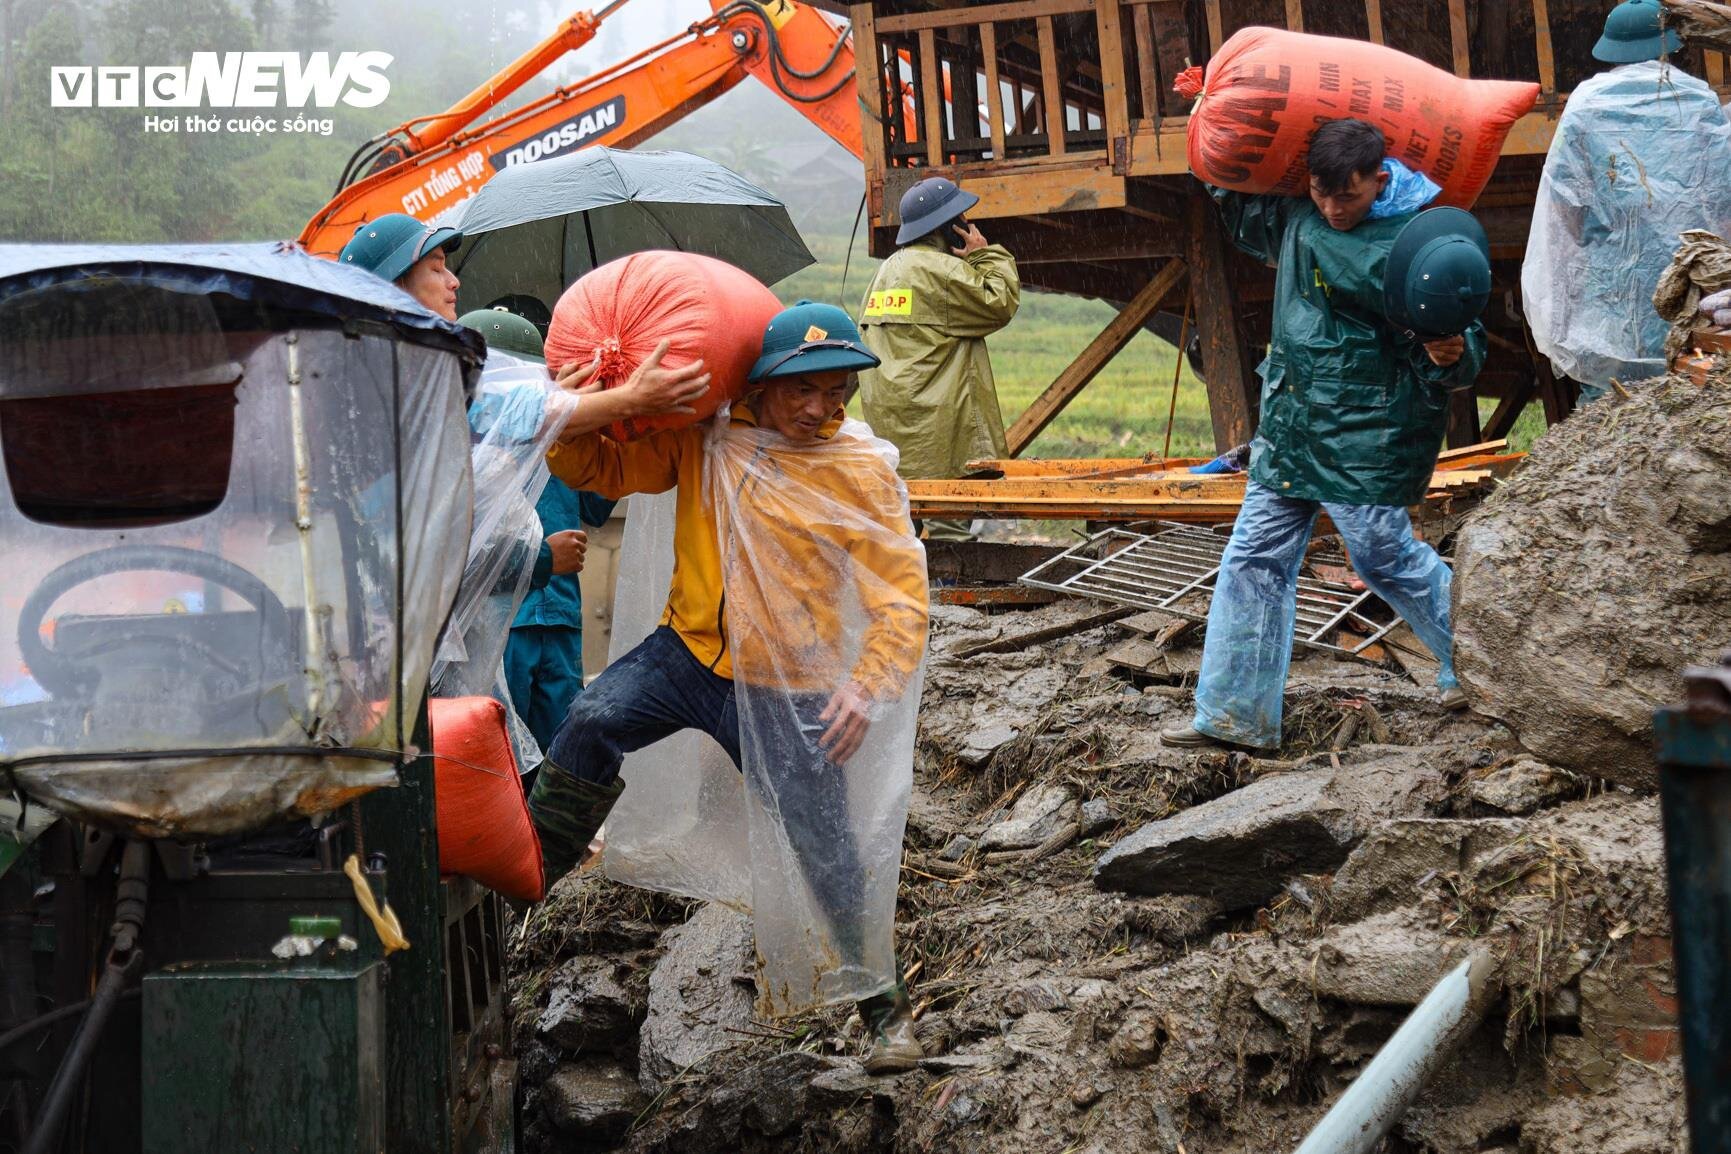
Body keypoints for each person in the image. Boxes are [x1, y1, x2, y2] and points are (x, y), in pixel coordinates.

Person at [528, 301, 930, 1074]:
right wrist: (579, 415)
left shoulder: (858, 471)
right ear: (761, 387)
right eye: (799, 390)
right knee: (588, 720)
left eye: (836, 388)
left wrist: (868, 684)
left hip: (791, 682)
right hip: (688, 653)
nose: (820, 408)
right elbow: (602, 470)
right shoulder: (708, 439)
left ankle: (884, 1013)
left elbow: (900, 591)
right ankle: (534, 880)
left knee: (827, 848)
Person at [1159, 119, 1488, 752]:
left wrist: (1451, 354)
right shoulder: (1298, 220)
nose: (1335, 210)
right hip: (1291, 426)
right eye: (1322, 193)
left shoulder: (1417, 245)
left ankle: (1486, 667)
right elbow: (1241, 206)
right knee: (1253, 559)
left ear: (1380, 180)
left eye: (1350, 196)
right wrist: (1212, 131)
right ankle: (1232, 717)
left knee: (1383, 556)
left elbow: (1459, 331)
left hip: (1367, 432)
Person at [1523, 0, 1731, 404]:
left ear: (1611, 49)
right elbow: (1722, 203)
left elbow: (1562, 217)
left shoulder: (1584, 107)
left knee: (1608, 416)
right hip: (1688, 289)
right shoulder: (1701, 102)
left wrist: (1559, 314)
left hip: (1608, 302)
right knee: (1692, 405)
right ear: (1669, 44)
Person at [337, 213, 710, 435]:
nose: (454, 281)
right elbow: (510, 416)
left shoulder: (404, 360)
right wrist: (631, 399)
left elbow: (513, 413)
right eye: (436, 268)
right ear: (392, 287)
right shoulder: (390, 371)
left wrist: (565, 400)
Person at [456, 306, 618, 754]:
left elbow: (599, 502)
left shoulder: (559, 436)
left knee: (558, 752)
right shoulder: (470, 451)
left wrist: (607, 426)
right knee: (498, 749)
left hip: (561, 619)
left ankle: (544, 828)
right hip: (499, 624)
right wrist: (539, 558)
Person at [857, 177, 1021, 541]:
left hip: (893, 421)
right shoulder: (942, 271)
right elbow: (999, 303)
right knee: (949, 519)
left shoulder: (886, 272)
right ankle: (950, 592)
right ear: (949, 226)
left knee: (905, 521)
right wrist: (983, 254)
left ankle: (909, 587)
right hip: (938, 425)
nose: (968, 224)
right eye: (962, 218)